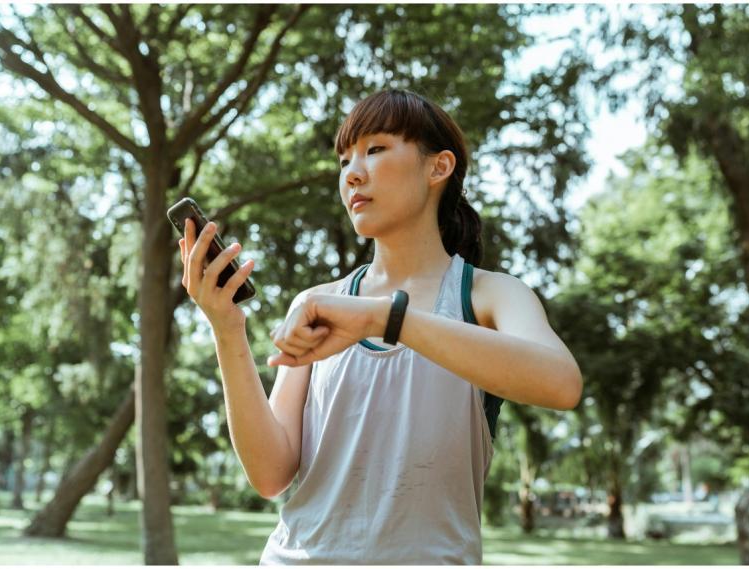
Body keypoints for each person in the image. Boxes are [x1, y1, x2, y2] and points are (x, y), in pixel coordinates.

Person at [178, 88, 582, 564]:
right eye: (345, 159)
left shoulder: (489, 295)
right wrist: (227, 329)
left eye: (374, 150)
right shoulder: (314, 302)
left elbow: (561, 383)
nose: (352, 172)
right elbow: (271, 474)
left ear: (439, 167)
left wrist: (386, 318)